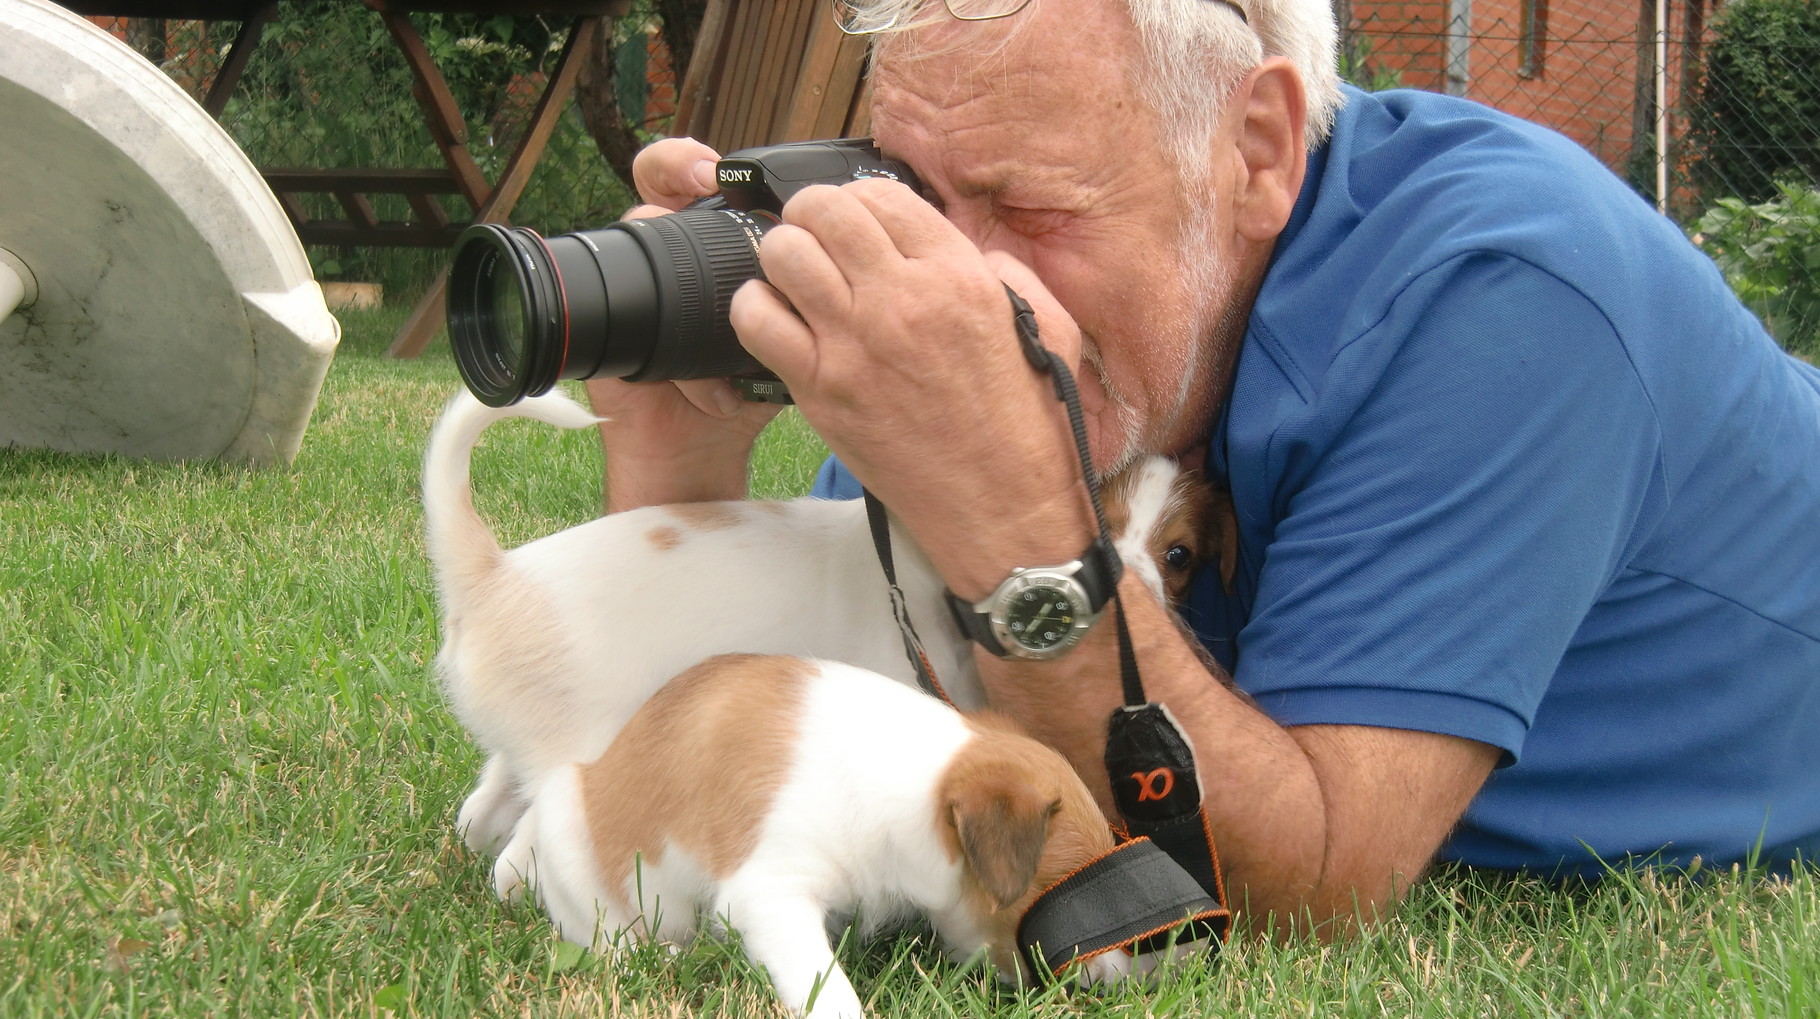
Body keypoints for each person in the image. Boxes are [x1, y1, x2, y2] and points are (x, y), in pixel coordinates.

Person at [586, 0, 1820, 936]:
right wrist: (679, 478)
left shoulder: (1503, 294)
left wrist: (1018, 529)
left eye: (1031, 209)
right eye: (915, 195)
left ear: (1259, 150)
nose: (956, 281)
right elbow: (788, 732)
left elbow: (1317, 880)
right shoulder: (1030, 318)